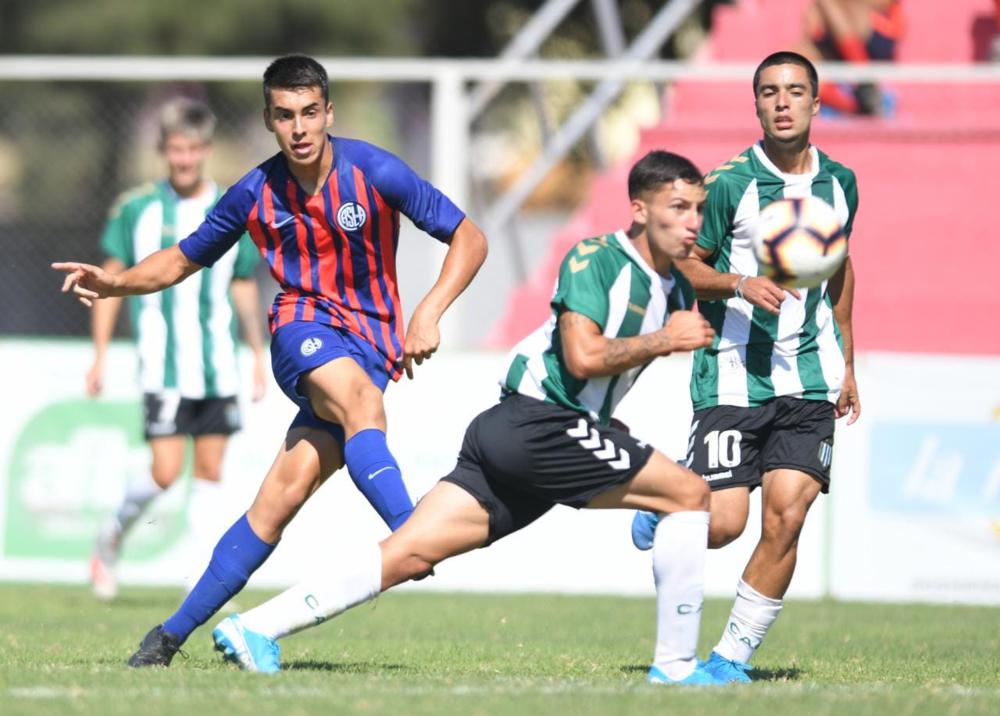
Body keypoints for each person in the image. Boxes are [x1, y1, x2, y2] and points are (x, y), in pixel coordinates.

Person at [207, 151, 724, 686]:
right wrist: (667, 339)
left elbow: (708, 281)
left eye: (698, 209)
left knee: (408, 552)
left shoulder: (672, 279)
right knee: (687, 493)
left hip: (522, 432)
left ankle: (257, 627)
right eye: (678, 207)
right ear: (639, 210)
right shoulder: (598, 260)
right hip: (541, 424)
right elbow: (582, 358)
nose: (692, 222)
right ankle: (678, 666)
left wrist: (751, 284)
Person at [53, 54, 488, 667]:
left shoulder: (376, 170)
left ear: (328, 113)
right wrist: (116, 284)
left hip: (373, 343)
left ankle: (166, 638)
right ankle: (415, 531)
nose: (300, 128)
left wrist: (429, 311)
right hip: (300, 329)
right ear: (268, 120)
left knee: (278, 499)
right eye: (285, 116)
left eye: (310, 112)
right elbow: (180, 259)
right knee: (361, 405)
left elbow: (470, 236)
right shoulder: (254, 192)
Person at [631, 51, 861, 683]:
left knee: (788, 515)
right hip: (733, 374)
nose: (781, 102)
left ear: (817, 103)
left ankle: (731, 659)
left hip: (809, 377)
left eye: (794, 91)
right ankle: (667, 502)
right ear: (755, 105)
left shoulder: (841, 183)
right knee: (725, 523)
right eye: (768, 92)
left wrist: (848, 362)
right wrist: (738, 282)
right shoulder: (728, 183)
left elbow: (838, 270)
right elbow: (686, 265)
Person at [87, 97, 267, 601]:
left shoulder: (233, 206)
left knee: (210, 473)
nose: (184, 159)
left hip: (218, 369)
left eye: (192, 150)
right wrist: (99, 354)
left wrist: (256, 354)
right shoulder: (136, 208)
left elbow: (243, 284)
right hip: (164, 368)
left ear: (206, 150)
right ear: (163, 150)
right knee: (165, 473)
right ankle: (110, 539)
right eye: (174, 150)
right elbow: (111, 282)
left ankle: (197, 582)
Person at [798, 0, 904, 116]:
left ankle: (865, 83)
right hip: (837, 43)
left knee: (829, 3)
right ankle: (856, 105)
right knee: (793, 62)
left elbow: (882, 3)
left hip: (875, 33)